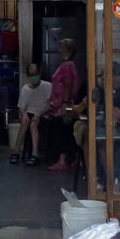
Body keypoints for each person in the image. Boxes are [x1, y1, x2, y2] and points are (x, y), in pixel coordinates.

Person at [47, 38, 81, 172]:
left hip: (63, 105)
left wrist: (65, 103)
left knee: (61, 131)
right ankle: (71, 159)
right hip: (61, 104)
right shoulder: (68, 64)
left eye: (61, 47)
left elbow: (67, 84)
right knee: (66, 131)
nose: (59, 49)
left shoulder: (67, 65)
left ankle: (62, 160)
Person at [10, 63, 51, 165]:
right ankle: (16, 152)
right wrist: (24, 115)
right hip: (30, 113)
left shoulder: (48, 86)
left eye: (36, 74)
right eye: (32, 75)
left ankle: (35, 154)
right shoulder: (25, 89)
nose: (34, 77)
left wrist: (39, 114)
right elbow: (22, 107)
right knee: (24, 122)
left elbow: (50, 104)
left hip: (44, 113)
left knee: (34, 124)